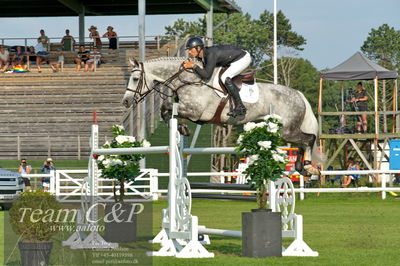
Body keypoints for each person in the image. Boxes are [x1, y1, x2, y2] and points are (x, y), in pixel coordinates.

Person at [182, 36, 250, 117]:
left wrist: (193, 66)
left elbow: (207, 75)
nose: (189, 52)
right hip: (232, 57)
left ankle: (240, 107)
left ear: (198, 48)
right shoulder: (204, 54)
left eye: (190, 49)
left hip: (242, 58)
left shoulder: (210, 54)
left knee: (225, 77)